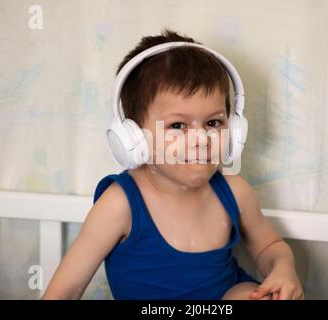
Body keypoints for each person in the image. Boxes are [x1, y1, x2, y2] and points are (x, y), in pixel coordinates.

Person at [42, 29, 304, 300]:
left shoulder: (236, 193)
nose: (201, 139)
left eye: (213, 122)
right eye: (178, 126)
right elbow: (64, 291)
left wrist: (283, 268)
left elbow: (270, 246)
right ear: (134, 139)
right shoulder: (120, 205)